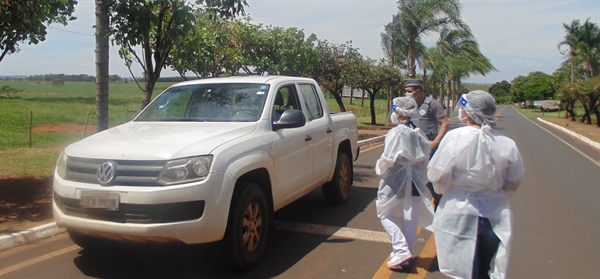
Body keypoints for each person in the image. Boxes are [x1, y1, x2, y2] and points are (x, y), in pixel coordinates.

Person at [427, 90, 525, 279]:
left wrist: (448, 189)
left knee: (461, 270)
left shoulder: (456, 137)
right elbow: (513, 181)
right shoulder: (506, 143)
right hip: (493, 216)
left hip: (457, 213)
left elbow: (437, 174)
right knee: (482, 270)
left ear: (468, 112)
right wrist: (491, 189)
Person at [375, 97, 435, 270]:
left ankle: (401, 250)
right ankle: (406, 256)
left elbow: (389, 158)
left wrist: (380, 167)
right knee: (410, 219)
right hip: (415, 181)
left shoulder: (397, 132)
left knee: (384, 213)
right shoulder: (418, 131)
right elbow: (425, 157)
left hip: (396, 179)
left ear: (399, 112)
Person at [404, 79, 449, 209]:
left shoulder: (432, 104)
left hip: (429, 148)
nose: (407, 94)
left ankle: (439, 201)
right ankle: (416, 207)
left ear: (418, 91)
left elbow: (445, 123)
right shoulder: (408, 105)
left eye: (409, 91)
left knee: (430, 178)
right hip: (413, 149)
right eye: (406, 91)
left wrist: (435, 142)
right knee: (414, 178)